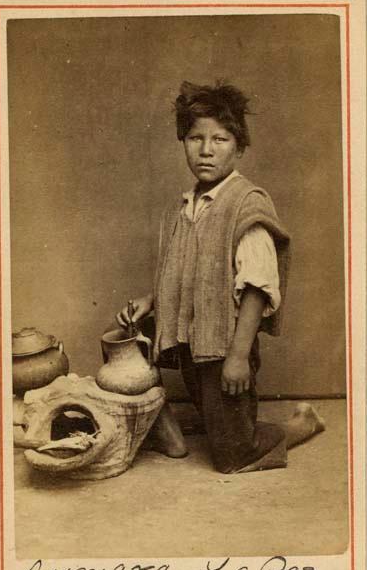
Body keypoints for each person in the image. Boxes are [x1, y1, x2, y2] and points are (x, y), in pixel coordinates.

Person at [117, 81, 324, 473]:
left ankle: (302, 424)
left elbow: (258, 288)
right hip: (195, 341)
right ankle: (201, 424)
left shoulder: (246, 206)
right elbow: (191, 272)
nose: (206, 150)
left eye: (220, 139)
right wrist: (152, 300)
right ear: (183, 143)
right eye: (195, 138)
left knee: (232, 455)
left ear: (239, 147)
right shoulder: (188, 205)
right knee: (217, 419)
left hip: (226, 345)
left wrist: (238, 358)